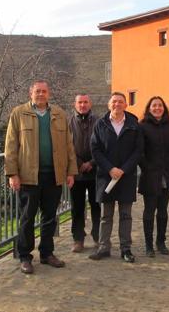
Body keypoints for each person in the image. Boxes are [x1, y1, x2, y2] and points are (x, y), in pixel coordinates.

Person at [4, 80, 77, 275]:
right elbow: (11, 146)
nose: (41, 94)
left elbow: (69, 146)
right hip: (28, 176)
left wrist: (71, 172)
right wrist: (12, 173)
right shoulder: (19, 113)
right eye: (37, 91)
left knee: (49, 217)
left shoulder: (59, 114)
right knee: (27, 218)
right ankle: (25, 257)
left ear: (49, 94)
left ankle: (47, 253)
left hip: (53, 175)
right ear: (31, 93)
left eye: (44, 91)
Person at [89, 92, 144, 263]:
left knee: (126, 215)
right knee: (106, 215)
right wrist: (110, 168)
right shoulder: (100, 124)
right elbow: (95, 149)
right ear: (108, 104)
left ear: (126, 105)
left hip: (126, 177)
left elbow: (138, 151)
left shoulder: (134, 124)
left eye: (120, 102)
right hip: (106, 176)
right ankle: (104, 247)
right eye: (114, 102)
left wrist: (124, 169)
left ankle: (125, 249)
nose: (117, 104)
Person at [138, 96, 169, 257]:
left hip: (167, 174)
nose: (157, 108)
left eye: (160, 105)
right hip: (150, 175)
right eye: (154, 106)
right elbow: (139, 151)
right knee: (149, 211)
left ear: (164, 108)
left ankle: (161, 242)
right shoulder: (143, 127)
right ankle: (149, 245)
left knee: (163, 211)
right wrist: (147, 167)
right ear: (149, 108)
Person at [68, 94, 100, 253]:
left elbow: (103, 144)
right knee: (77, 207)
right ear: (75, 104)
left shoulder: (99, 122)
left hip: (96, 172)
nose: (83, 105)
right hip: (76, 172)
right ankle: (78, 239)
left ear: (90, 103)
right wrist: (80, 164)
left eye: (85, 102)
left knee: (96, 206)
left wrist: (91, 163)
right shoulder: (68, 122)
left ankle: (97, 236)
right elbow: (67, 146)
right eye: (80, 102)